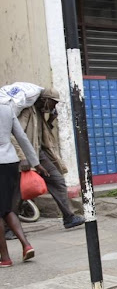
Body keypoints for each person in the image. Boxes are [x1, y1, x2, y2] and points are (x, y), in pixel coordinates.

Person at [11, 88, 85, 230]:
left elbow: (43, 136)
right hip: (27, 155)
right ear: (45, 100)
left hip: (39, 154)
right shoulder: (28, 111)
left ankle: (69, 217)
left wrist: (51, 119)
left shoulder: (40, 113)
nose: (54, 107)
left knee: (57, 181)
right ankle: (9, 228)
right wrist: (23, 157)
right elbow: (16, 133)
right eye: (53, 103)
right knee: (21, 191)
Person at [1, 103, 48, 267]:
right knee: (7, 208)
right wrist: (35, 162)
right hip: (10, 162)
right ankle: (26, 244)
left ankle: (5, 258)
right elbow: (22, 137)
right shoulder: (6, 109)